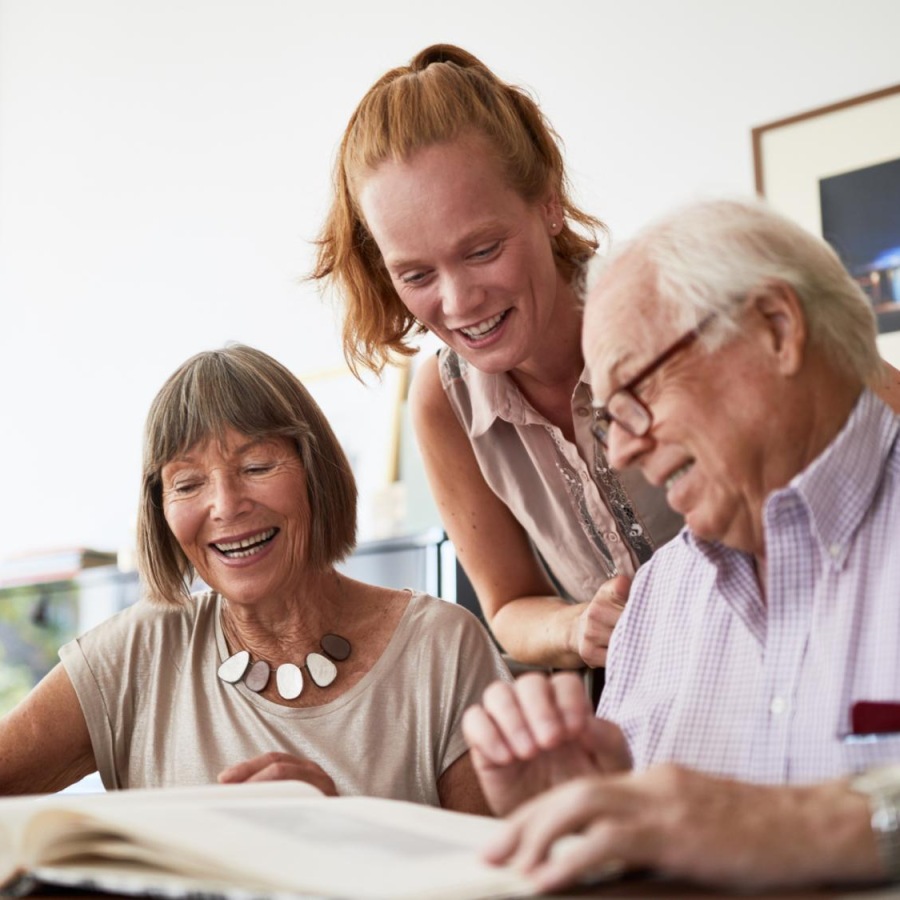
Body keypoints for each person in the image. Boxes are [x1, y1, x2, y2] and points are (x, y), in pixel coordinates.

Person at [313, 43, 900, 672]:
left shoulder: (675, 302)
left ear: (548, 201)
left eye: (482, 250)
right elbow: (508, 606)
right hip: (650, 696)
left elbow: (883, 417)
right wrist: (575, 626)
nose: (458, 301)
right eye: (416, 273)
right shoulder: (442, 403)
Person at [461, 197, 900, 890]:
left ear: (776, 328)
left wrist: (815, 824)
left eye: (637, 393)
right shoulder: (657, 599)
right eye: (610, 421)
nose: (625, 451)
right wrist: (590, 837)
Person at [0, 343, 510, 811]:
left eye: (257, 466)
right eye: (188, 483)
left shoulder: (443, 647)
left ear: (315, 471)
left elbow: (508, 877)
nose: (224, 506)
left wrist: (350, 836)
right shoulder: (137, 651)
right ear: (161, 510)